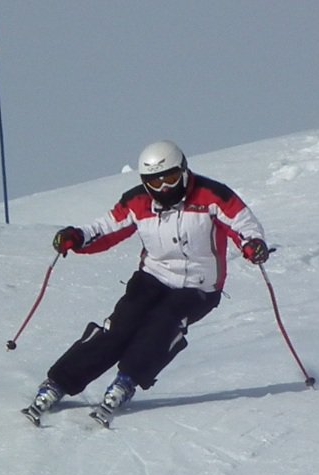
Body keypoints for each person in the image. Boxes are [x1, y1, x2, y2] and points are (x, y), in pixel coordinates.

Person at [24, 140, 269, 427]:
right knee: (120, 325)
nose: (163, 187)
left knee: (164, 324)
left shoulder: (212, 195)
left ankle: (127, 380)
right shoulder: (138, 202)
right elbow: (105, 228)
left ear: (184, 170)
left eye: (171, 178)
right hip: (153, 277)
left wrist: (253, 244)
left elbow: (243, 223)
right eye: (154, 181)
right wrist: (77, 237)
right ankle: (59, 382)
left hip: (199, 286)